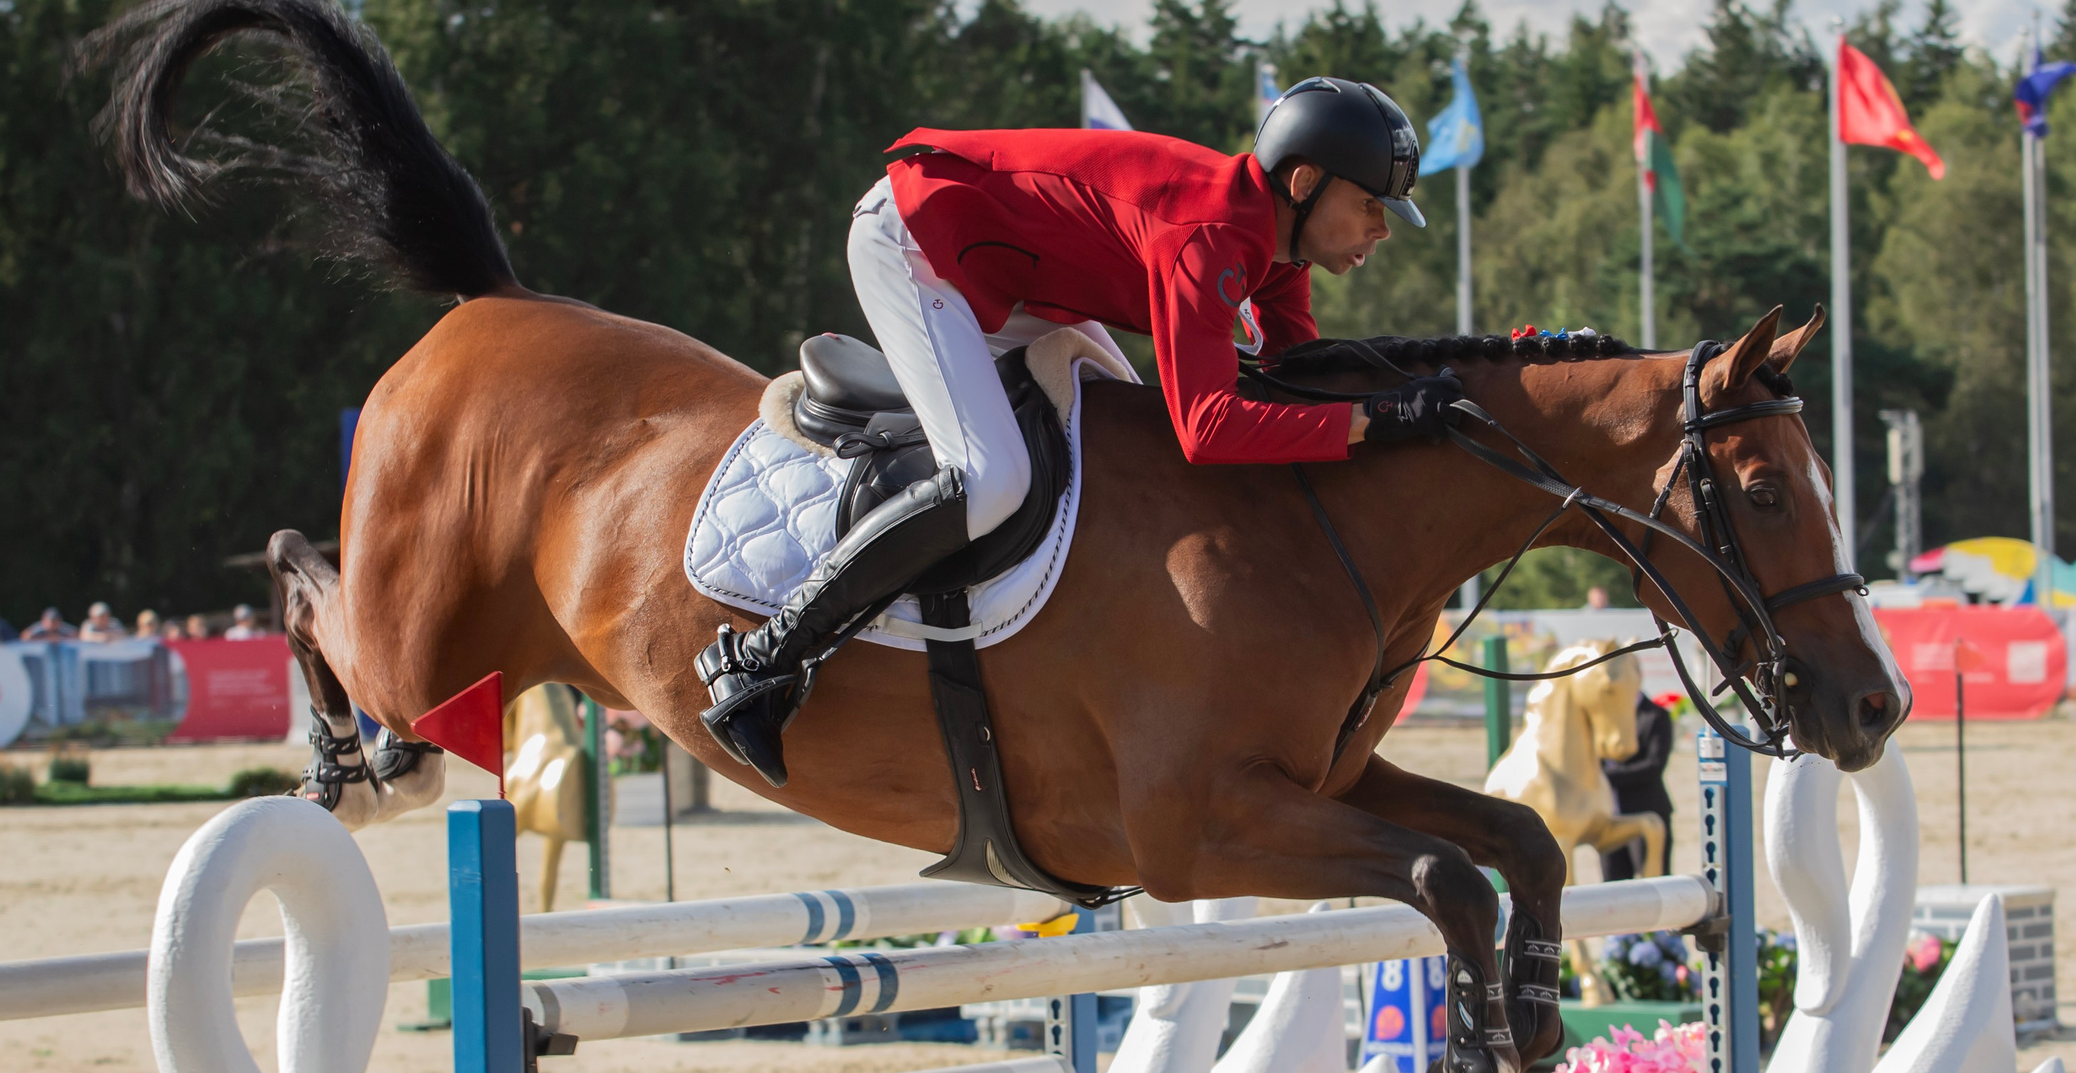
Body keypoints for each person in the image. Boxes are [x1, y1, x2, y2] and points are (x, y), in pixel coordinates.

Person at [696, 77, 1456, 785]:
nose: (1381, 229)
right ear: (1303, 184)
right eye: (1371, 204)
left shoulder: (1277, 250)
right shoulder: (1212, 237)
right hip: (920, 241)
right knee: (992, 479)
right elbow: (1207, 426)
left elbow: (1296, 376)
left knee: (1122, 454)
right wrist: (1371, 420)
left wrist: (1409, 397)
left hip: (1022, 274)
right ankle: (764, 661)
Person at [1598, 694, 1677, 882]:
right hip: (1609, 817)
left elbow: (1653, 766)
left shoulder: (1656, 716)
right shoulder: (1603, 716)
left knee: (1653, 883)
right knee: (1611, 884)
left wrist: (1606, 778)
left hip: (1645, 811)